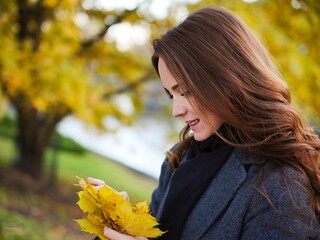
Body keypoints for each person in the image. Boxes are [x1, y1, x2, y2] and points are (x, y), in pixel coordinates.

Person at [88, 6, 320, 239]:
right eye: (171, 95)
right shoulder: (180, 159)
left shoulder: (283, 186)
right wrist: (123, 222)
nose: (176, 111)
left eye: (185, 92)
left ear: (226, 78)